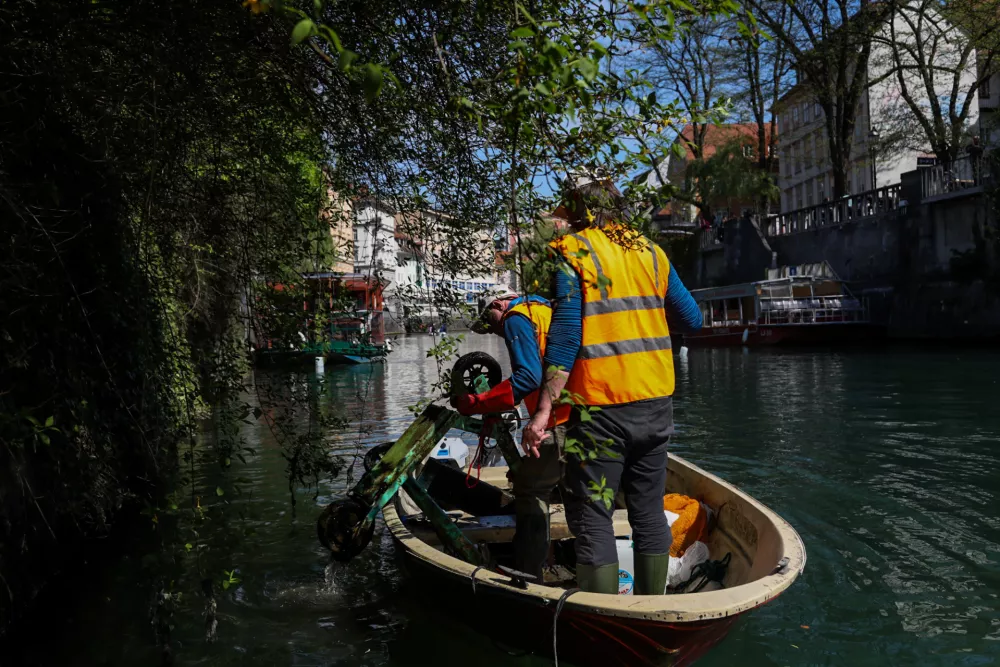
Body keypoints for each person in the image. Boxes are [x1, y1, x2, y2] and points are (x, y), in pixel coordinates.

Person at [521, 169, 703, 595]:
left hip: (600, 410)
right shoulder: (651, 252)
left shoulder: (574, 252)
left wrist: (544, 411)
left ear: (578, 210)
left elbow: (566, 335)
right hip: (655, 403)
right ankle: (651, 609)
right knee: (648, 512)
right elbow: (692, 319)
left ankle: (601, 610)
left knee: (593, 515)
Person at [451, 287, 571, 582]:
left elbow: (528, 377)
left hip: (559, 420)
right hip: (585, 413)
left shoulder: (516, 316)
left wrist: (477, 402)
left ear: (498, 304)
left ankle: (528, 572)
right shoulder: (547, 311)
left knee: (529, 488)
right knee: (577, 489)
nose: (494, 331)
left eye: (489, 322)